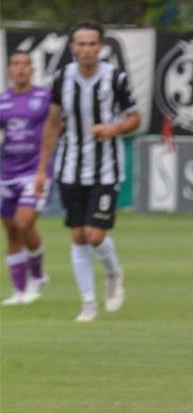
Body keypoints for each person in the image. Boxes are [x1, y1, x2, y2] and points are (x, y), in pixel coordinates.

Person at [34, 23, 139, 323]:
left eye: (92, 44)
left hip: (106, 169)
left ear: (100, 47)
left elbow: (135, 118)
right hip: (70, 168)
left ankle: (113, 272)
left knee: (94, 235)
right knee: (78, 235)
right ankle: (88, 304)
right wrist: (42, 170)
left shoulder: (115, 79)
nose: (86, 49)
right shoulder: (61, 79)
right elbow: (53, 123)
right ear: (72, 48)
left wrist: (113, 129)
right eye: (81, 44)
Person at [1, 51, 53, 305]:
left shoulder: (44, 98)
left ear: (33, 69)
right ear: (9, 70)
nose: (21, 69)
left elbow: (54, 130)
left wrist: (44, 169)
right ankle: (19, 292)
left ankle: (37, 276)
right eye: (15, 64)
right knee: (11, 231)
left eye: (25, 64)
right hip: (7, 173)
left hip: (35, 171)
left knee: (24, 223)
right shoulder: (3, 101)